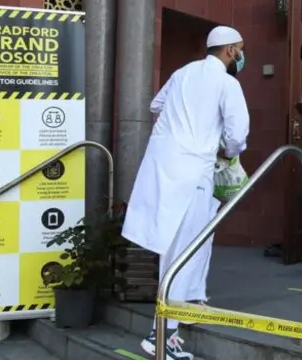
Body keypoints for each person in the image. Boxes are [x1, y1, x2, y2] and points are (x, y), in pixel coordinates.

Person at [121, 25, 250, 359]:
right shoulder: (227, 83)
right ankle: (162, 334)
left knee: (183, 243)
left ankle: (190, 301)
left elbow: (155, 105)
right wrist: (222, 147)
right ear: (230, 51)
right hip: (196, 172)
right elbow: (238, 136)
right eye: (240, 48)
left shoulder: (182, 73)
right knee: (186, 249)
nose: (241, 55)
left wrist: (178, 130)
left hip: (166, 168)